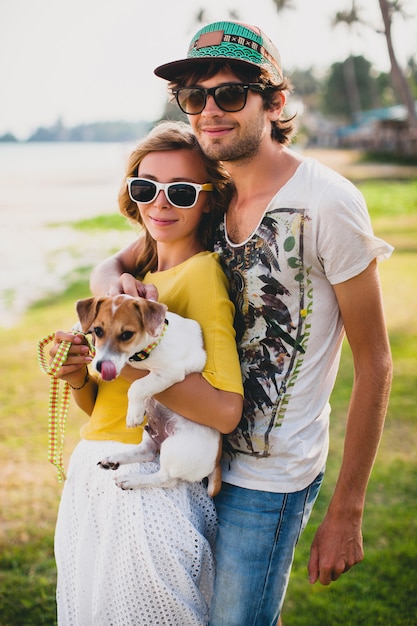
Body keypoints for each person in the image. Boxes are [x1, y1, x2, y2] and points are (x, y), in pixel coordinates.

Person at [89, 21, 394, 626]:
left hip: (272, 475)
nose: (209, 111)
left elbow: (376, 361)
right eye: (195, 97)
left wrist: (348, 510)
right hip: (200, 451)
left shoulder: (328, 202)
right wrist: (113, 290)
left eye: (229, 95)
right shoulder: (214, 196)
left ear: (274, 102)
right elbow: (116, 262)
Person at [49, 120, 243, 626]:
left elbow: (225, 410)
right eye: (145, 187)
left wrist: (138, 360)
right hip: (95, 469)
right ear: (131, 194)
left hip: (148, 492)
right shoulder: (140, 280)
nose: (160, 203)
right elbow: (106, 408)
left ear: (209, 200)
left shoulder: (201, 275)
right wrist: (80, 378)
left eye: (180, 191)